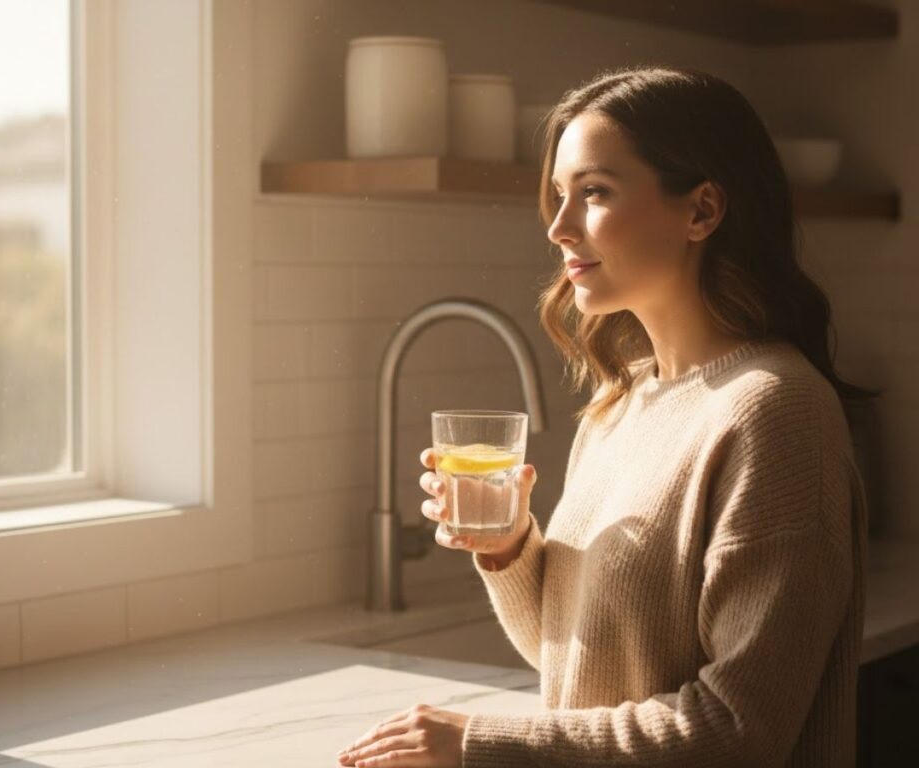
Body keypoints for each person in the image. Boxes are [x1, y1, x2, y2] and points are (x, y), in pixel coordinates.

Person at [337, 64, 875, 767]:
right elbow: (584, 661)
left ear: (701, 211)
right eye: (560, 196)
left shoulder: (776, 409)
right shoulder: (619, 405)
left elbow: (739, 731)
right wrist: (508, 549)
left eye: (593, 193)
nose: (559, 227)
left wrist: (478, 743)